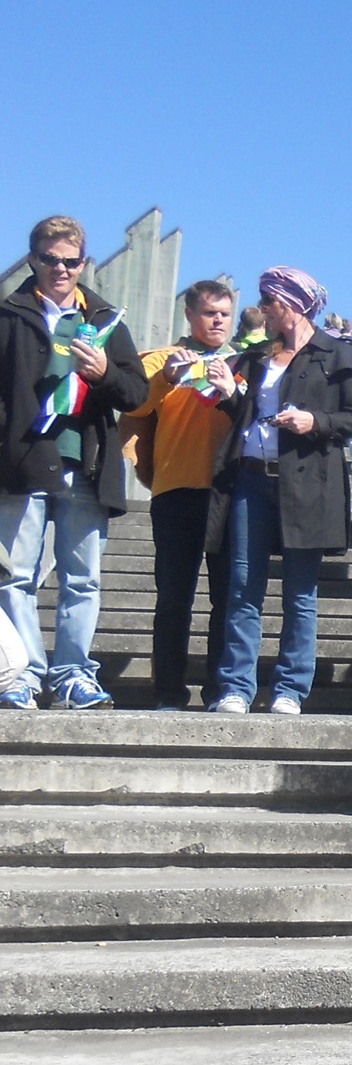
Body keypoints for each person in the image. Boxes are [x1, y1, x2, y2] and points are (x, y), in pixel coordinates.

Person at [0, 214, 148, 709]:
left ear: (83, 263)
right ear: (32, 258)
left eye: (69, 261)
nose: (60, 269)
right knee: (17, 576)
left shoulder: (106, 319)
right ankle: (22, 674)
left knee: (81, 578)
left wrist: (105, 372)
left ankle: (73, 675)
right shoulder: (8, 313)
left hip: (86, 463)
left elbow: (135, 394)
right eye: (49, 260)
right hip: (22, 462)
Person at [204, 267, 352, 714]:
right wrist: (228, 394)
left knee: (299, 590)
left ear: (292, 304)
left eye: (269, 301)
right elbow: (249, 415)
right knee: (242, 585)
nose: (262, 310)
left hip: (308, 483)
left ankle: (289, 689)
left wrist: (316, 422)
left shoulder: (337, 354)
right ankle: (237, 685)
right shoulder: (260, 356)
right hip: (252, 477)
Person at [122, 278, 240, 708]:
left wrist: (233, 386)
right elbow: (133, 407)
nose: (218, 321)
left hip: (227, 493)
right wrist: (167, 381)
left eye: (224, 314)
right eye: (209, 313)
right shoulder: (160, 360)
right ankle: (168, 692)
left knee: (226, 599)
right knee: (174, 598)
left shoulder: (242, 363)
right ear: (189, 315)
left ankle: (219, 690)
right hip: (173, 490)